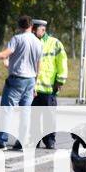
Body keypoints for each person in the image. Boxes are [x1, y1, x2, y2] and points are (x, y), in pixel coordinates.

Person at [0, 15, 43, 149]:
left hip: (17, 79)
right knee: (25, 113)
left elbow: (4, 54)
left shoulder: (17, 39)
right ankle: (22, 142)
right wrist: (35, 83)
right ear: (32, 27)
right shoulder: (37, 42)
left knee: (7, 110)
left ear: (19, 26)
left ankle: (1, 141)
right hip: (30, 80)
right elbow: (38, 65)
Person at [32, 18, 68, 148]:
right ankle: (34, 140)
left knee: (49, 117)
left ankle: (50, 140)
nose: (34, 32)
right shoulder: (31, 42)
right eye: (33, 29)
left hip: (49, 88)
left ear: (43, 29)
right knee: (33, 117)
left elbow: (62, 62)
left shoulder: (55, 43)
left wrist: (60, 80)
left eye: (37, 29)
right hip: (33, 88)